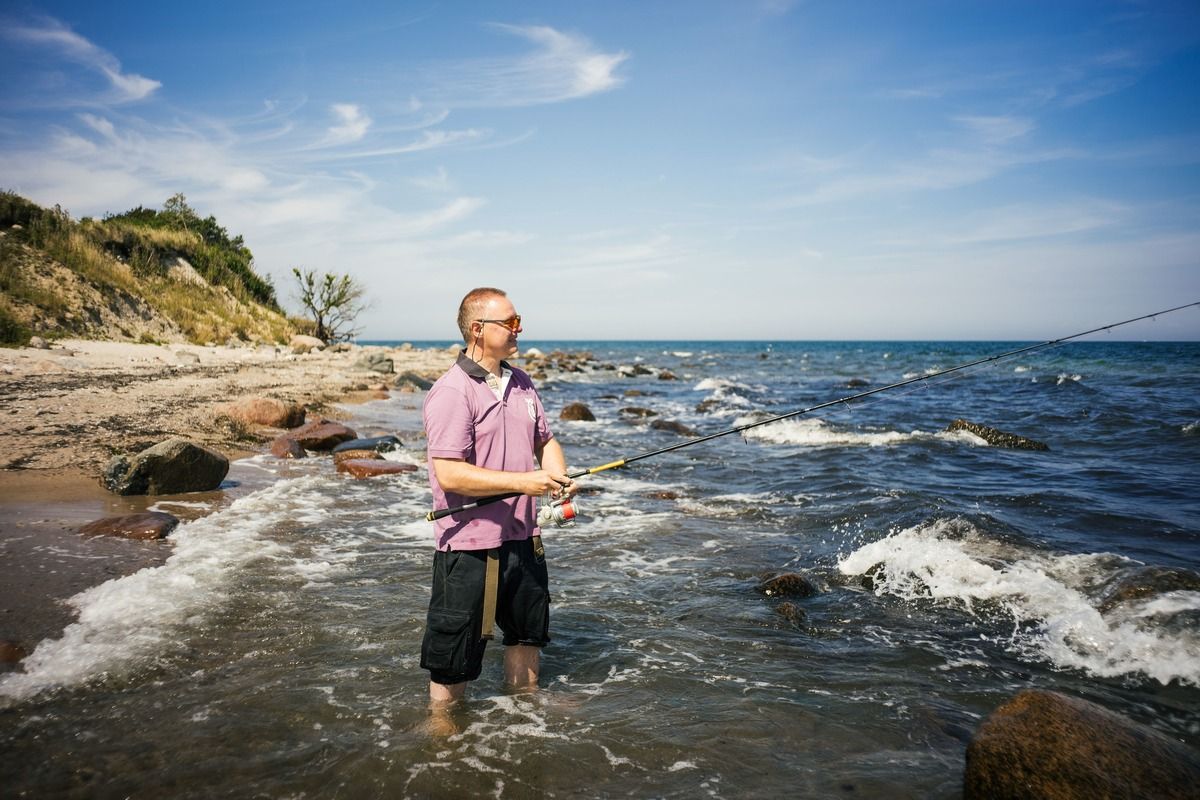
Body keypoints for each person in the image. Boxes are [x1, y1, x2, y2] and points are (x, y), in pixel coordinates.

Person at [420, 287, 576, 706]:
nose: (518, 328)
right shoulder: (452, 391)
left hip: (524, 537)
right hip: (470, 548)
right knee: (452, 663)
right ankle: (443, 748)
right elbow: (449, 473)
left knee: (526, 638)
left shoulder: (522, 383)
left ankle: (523, 729)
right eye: (509, 322)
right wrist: (524, 482)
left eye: (517, 320)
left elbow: (547, 441)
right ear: (477, 329)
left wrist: (556, 475)